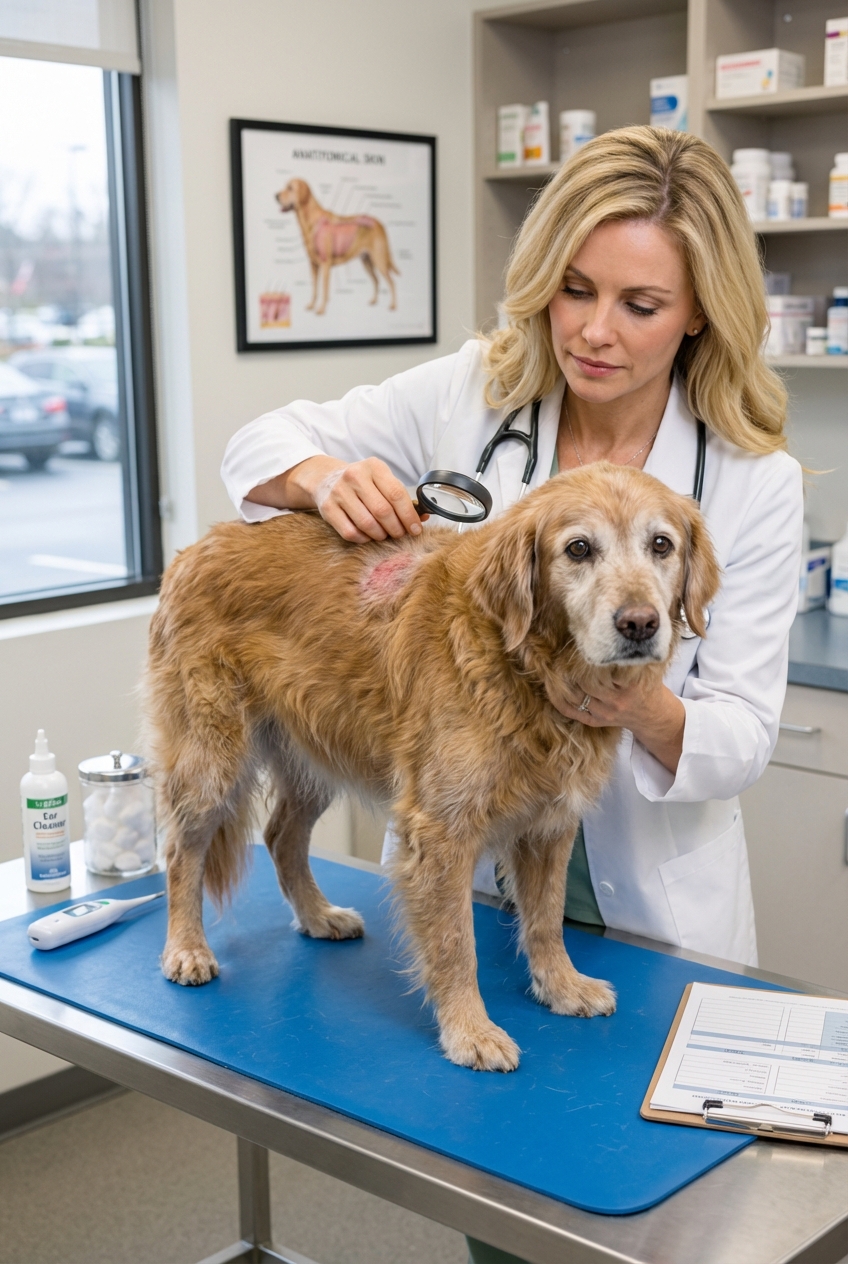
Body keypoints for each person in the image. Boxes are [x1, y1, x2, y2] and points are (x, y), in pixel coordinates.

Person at [222, 125, 801, 1264]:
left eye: (639, 303)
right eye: (572, 289)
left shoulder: (747, 476)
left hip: (649, 914)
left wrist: (623, 689)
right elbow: (259, 441)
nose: (591, 329)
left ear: (696, 311)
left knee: (663, 1224)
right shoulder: (477, 387)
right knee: (506, 1211)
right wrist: (327, 476)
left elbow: (740, 734)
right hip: (476, 895)